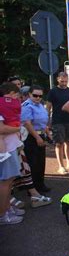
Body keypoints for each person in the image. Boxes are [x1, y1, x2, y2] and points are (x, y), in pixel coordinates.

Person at [21, 85, 53, 194]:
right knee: (33, 163)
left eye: (40, 96)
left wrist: (48, 135)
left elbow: (43, 123)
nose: (38, 98)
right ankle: (32, 189)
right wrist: (37, 137)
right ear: (30, 94)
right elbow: (27, 123)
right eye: (35, 95)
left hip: (41, 135)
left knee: (41, 162)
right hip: (31, 137)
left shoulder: (40, 106)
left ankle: (40, 185)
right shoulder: (27, 106)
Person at [0, 83, 23, 225]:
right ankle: (2, 215)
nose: (17, 98)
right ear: (9, 93)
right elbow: (1, 129)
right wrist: (17, 128)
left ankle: (7, 209)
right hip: (5, 151)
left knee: (9, 181)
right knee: (5, 182)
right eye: (15, 94)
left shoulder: (6, 107)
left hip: (11, 147)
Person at [46, 72, 69, 174]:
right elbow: (48, 107)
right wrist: (47, 121)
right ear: (58, 79)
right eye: (62, 81)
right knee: (59, 143)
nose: (64, 83)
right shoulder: (53, 91)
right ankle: (61, 166)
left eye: (65, 81)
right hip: (57, 120)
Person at [0, 82, 21, 162]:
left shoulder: (2, 102)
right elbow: (2, 129)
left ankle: (3, 153)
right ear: (12, 93)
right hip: (14, 123)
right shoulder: (14, 102)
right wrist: (19, 128)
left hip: (9, 125)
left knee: (1, 137)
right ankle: (3, 153)